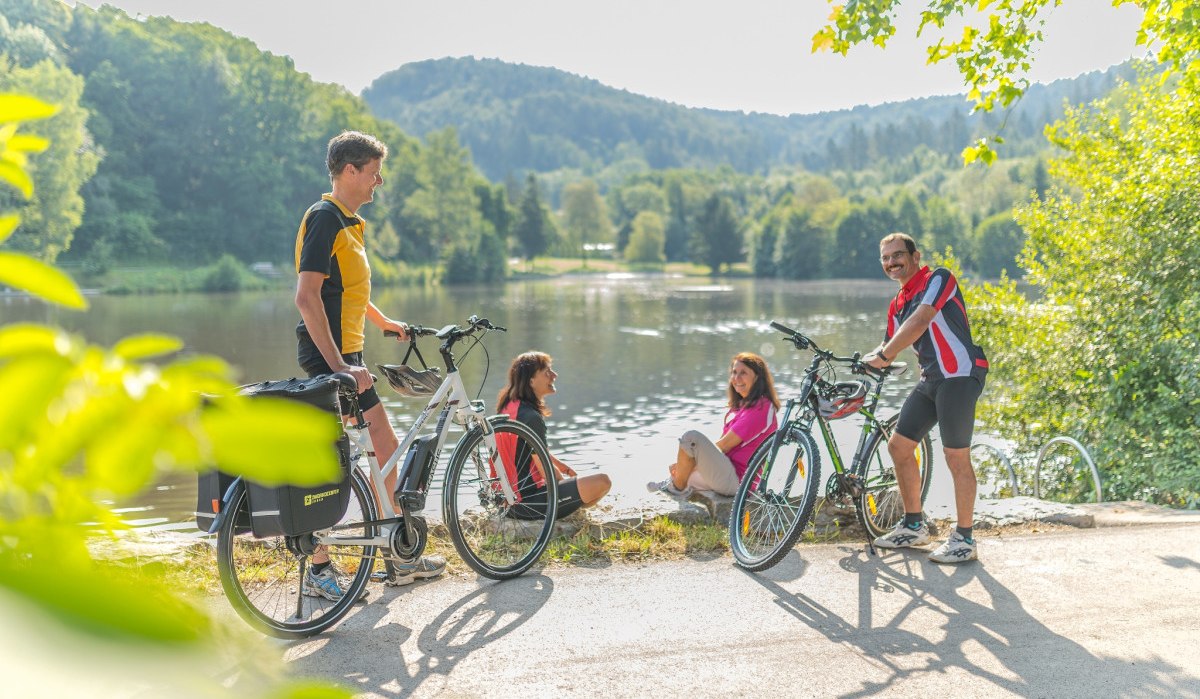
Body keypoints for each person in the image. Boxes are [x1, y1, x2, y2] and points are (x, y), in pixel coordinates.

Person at [294, 130, 445, 598]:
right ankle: (321, 567)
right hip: (330, 357)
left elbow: (349, 292)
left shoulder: (348, 223)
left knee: (383, 448)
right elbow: (307, 297)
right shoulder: (325, 218)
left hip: (348, 354)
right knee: (334, 461)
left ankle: (399, 554)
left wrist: (383, 322)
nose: (380, 181)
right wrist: (338, 363)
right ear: (350, 170)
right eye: (374, 172)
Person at [864, 232, 988, 564]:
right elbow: (885, 349)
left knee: (955, 456)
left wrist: (885, 355)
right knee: (899, 447)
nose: (891, 262)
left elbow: (921, 321)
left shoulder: (938, 278)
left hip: (959, 376)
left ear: (915, 256)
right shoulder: (896, 304)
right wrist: (859, 370)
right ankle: (914, 525)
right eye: (885, 258)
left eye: (897, 255)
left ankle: (964, 539)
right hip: (931, 380)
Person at [495, 352, 612, 519]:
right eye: (547, 372)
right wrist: (563, 483)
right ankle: (569, 512)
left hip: (505, 500)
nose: (554, 375)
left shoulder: (510, 407)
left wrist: (559, 464)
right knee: (602, 482)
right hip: (527, 504)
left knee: (582, 485)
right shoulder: (531, 418)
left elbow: (529, 450)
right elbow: (546, 470)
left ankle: (570, 506)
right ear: (531, 381)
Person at [647, 353, 779, 498]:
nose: (736, 378)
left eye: (743, 373)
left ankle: (676, 487)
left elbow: (724, 445)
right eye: (734, 372)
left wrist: (687, 462)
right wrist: (687, 465)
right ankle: (674, 482)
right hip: (727, 472)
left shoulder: (761, 408)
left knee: (691, 438)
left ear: (757, 378)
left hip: (738, 481)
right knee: (686, 475)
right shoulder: (745, 407)